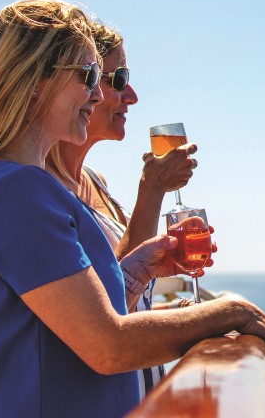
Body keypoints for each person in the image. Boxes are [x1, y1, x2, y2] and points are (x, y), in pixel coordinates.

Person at [0, 0, 265, 418]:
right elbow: (107, 346)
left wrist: (137, 270)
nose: (99, 93)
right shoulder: (16, 190)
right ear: (34, 79)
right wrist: (229, 312)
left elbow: (63, 319)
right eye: (90, 74)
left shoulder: (13, 185)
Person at [47, 22, 200, 398]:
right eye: (116, 79)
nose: (130, 95)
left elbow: (121, 295)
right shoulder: (37, 194)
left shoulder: (94, 182)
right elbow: (98, 319)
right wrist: (153, 189)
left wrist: (177, 315)